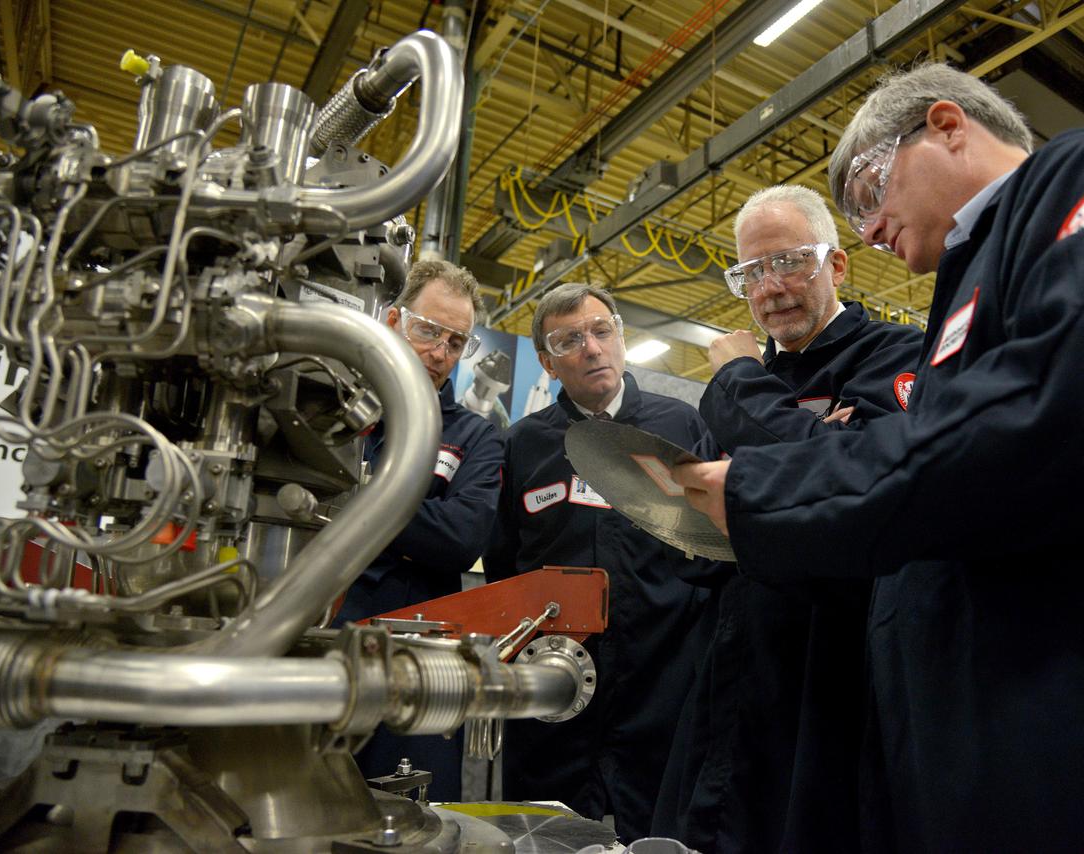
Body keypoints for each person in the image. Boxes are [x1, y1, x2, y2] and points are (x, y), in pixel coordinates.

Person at [673, 63, 1084, 850]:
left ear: (948, 126)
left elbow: (1072, 411)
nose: (869, 227)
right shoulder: (974, 287)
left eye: (868, 191)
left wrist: (773, 489)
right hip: (1007, 751)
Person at [653, 185, 922, 853]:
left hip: (834, 668)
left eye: (791, 261)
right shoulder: (756, 386)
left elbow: (844, 479)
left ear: (837, 265)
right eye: (751, 272)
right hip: (737, 658)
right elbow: (769, 486)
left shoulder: (894, 356)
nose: (770, 288)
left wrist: (741, 378)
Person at [483, 283, 710, 842]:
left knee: (663, 831)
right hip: (554, 689)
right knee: (541, 832)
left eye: (602, 331)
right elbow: (504, 561)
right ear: (547, 363)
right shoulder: (524, 446)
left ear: (621, 338)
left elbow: (714, 553)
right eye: (570, 340)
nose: (591, 348)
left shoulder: (680, 428)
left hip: (662, 681)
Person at [336, 258, 504, 801]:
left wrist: (349, 502)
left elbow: (461, 538)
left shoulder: (475, 437)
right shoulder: (337, 416)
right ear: (391, 321)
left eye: (456, 341)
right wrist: (412, 520)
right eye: (427, 330)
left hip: (417, 661)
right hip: (315, 645)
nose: (440, 352)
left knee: (412, 816)